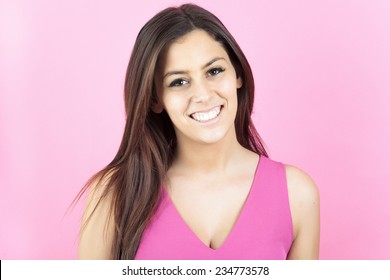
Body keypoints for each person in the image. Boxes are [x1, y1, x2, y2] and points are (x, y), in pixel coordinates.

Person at [77, 3, 320, 260]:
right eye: (179, 82)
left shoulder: (297, 195)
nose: (203, 95)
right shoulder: (113, 194)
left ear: (237, 74)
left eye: (214, 71)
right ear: (155, 99)